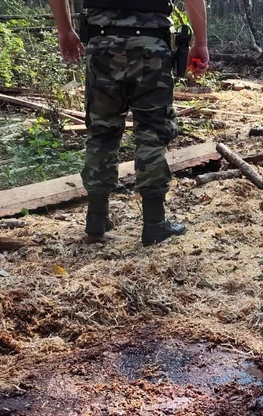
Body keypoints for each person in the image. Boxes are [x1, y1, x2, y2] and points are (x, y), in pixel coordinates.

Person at [48, 0, 209, 245]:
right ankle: (154, 223)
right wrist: (201, 42)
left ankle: (96, 219)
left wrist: (65, 30)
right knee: (152, 133)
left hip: (102, 45)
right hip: (150, 46)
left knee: (102, 131)